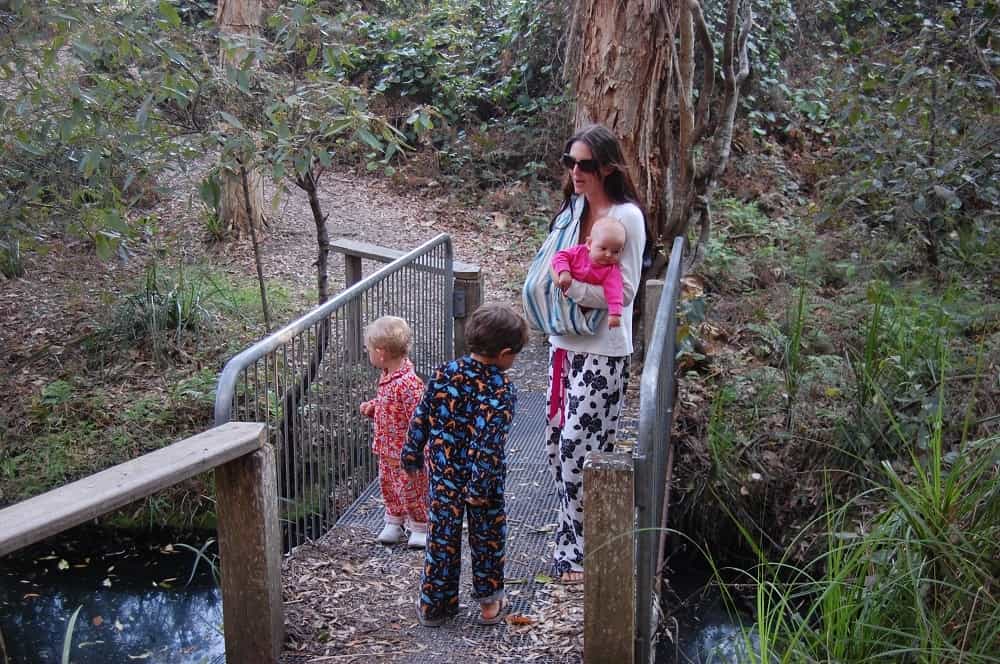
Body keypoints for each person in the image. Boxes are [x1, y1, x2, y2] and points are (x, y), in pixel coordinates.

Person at [543, 124, 646, 584]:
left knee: (580, 450)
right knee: (554, 447)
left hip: (603, 351)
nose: (576, 171)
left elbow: (623, 290)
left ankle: (583, 554)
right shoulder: (573, 209)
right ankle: (570, 539)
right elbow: (552, 259)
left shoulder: (627, 218)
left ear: (607, 166)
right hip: (563, 345)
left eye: (585, 164)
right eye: (570, 162)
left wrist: (570, 291)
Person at [401, 303, 528, 627]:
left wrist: (412, 453)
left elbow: (421, 416)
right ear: (503, 353)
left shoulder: (444, 372)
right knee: (487, 540)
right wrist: (479, 487)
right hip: (482, 482)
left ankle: (434, 606)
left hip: (444, 476)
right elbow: (488, 444)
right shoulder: (500, 388)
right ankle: (489, 606)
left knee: (442, 539)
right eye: (514, 355)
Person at [359, 315, 429, 549]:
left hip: (405, 451)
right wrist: (374, 408)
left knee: (412, 487)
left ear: (381, 353)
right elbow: (390, 406)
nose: (367, 354)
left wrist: (420, 448)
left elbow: (419, 416)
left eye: (368, 350)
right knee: (388, 484)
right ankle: (394, 520)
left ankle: (420, 525)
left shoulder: (409, 383)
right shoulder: (388, 376)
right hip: (386, 448)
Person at [551, 215, 627, 329]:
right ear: (589, 244)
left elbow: (615, 292)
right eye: (603, 248)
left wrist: (615, 314)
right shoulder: (579, 252)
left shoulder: (611, 271)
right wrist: (564, 272)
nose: (608, 255)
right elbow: (560, 256)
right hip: (562, 298)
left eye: (615, 252)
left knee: (580, 324)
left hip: (587, 309)